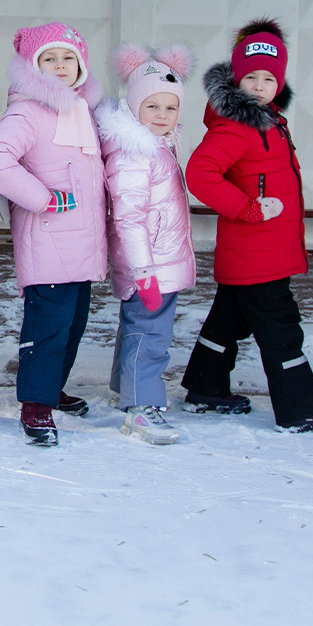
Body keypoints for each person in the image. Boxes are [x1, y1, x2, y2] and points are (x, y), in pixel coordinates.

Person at [180, 19, 313, 433]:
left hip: (258, 252)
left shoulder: (269, 120)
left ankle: (206, 388)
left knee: (228, 320)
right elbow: (201, 173)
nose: (259, 86)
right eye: (250, 77)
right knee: (281, 330)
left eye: (268, 78)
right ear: (236, 80)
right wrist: (249, 209)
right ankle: (301, 410)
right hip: (257, 252)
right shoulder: (237, 125)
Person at [0, 23, 106, 446]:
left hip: (83, 243)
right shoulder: (28, 111)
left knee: (73, 324)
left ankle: (52, 389)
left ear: (81, 64)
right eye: (48, 59)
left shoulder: (81, 110)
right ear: (33, 67)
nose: (59, 66)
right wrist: (43, 198)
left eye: (67, 58)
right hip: (50, 239)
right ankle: (36, 405)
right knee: (49, 326)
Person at [96, 44, 195, 445]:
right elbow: (129, 218)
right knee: (149, 334)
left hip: (158, 258)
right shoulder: (135, 154)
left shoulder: (158, 146)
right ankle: (142, 408)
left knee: (138, 326)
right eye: (152, 107)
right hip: (150, 263)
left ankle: (127, 387)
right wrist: (145, 273)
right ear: (135, 106)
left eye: (170, 109)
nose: (162, 116)